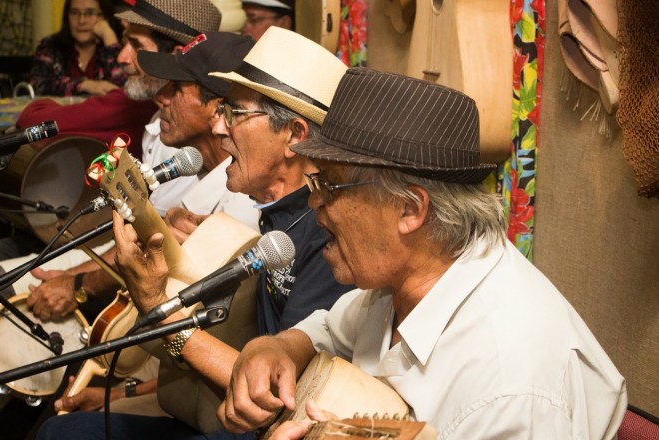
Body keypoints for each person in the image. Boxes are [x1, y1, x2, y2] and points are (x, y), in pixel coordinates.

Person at [218, 68, 629, 439]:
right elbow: (329, 328)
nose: (314, 203)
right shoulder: (408, 281)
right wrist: (274, 349)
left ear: (411, 210)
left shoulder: (510, 386)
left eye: (331, 186)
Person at [36, 25, 353, 440]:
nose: (221, 129)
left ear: (294, 135)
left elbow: (275, 394)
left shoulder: (324, 232)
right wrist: (136, 388)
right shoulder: (276, 215)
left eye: (236, 113)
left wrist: (154, 303)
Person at [0, 2, 223, 439]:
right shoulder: (161, 121)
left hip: (120, 273)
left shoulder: (208, 156)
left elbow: (154, 242)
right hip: (102, 244)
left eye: (134, 45)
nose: (122, 57)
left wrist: (79, 281)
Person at [29, 0, 126, 96]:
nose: (81, 21)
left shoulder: (122, 47)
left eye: (90, 13)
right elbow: (38, 86)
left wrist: (108, 36)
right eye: (75, 13)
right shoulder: (49, 46)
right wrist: (84, 85)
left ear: (104, 16)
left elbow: (123, 91)